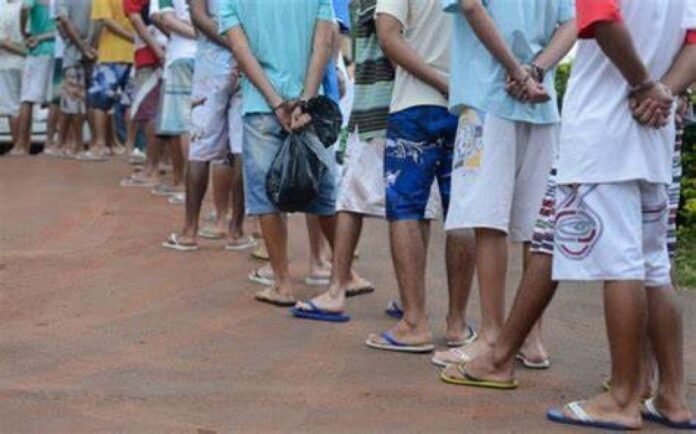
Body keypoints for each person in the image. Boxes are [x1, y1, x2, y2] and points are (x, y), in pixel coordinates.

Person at [445, 0, 696, 430]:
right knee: (652, 266)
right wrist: (664, 93)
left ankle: (622, 397)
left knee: (623, 265)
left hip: (604, 127)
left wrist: (642, 85)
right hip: (653, 129)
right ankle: (671, 396)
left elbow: (599, 16)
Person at [431, 0, 575, 367]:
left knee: (487, 220)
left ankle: (492, 334)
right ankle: (532, 338)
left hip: (488, 97)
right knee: (534, 227)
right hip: (541, 104)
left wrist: (516, 71)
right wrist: (536, 70)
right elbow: (571, 22)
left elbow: (471, 6)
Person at [291, 0, 447, 324]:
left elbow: (388, 37)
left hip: (380, 104)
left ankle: (341, 290)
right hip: (396, 101)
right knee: (406, 204)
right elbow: (392, 38)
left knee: (357, 198)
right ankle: (405, 298)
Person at [363, 0, 476, 352]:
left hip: (414, 104)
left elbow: (388, 35)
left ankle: (414, 322)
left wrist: (438, 82)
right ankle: (457, 324)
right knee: (463, 211)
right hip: (469, 104)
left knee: (406, 210)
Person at [220, 0, 338, 307]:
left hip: (261, 105)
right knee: (324, 189)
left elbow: (240, 49)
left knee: (266, 197)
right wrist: (306, 100)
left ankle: (282, 283)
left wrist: (275, 101)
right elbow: (324, 42)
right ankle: (343, 275)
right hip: (307, 105)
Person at [161, 0, 254, 252]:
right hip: (248, 64)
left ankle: (189, 231)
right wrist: (243, 48)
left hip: (211, 65)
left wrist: (231, 43)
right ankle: (236, 231)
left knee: (200, 148)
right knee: (241, 148)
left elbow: (198, 16)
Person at [149, 0, 196, 196]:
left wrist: (194, 33)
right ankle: (197, 187)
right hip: (209, 56)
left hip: (181, 54)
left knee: (184, 123)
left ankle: (187, 185)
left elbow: (163, 18)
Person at [121, 0, 167, 188]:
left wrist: (156, 49)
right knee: (162, 111)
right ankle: (160, 163)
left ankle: (152, 168)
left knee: (149, 113)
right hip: (171, 48)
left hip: (149, 54)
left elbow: (135, 18)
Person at [86, 0, 134, 160]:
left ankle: (100, 144)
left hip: (110, 53)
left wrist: (91, 45)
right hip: (133, 53)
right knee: (130, 102)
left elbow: (104, 20)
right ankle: (130, 146)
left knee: (99, 102)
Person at [11, 0, 56, 156]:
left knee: (27, 98)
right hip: (57, 49)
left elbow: (25, 8)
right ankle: (50, 143)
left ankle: (21, 145)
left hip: (38, 50)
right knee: (54, 100)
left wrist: (24, 32)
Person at [54, 0, 94, 158]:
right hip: (96, 52)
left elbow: (62, 22)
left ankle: (77, 144)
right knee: (91, 103)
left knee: (74, 102)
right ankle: (91, 143)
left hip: (74, 54)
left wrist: (81, 47)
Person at [0, 0, 27, 149]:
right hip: (27, 62)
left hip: (7, 62)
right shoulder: (26, 5)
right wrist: (27, 53)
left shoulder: (2, 8)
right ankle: (23, 144)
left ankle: (18, 145)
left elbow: (2, 42)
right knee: (26, 105)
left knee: (12, 107)